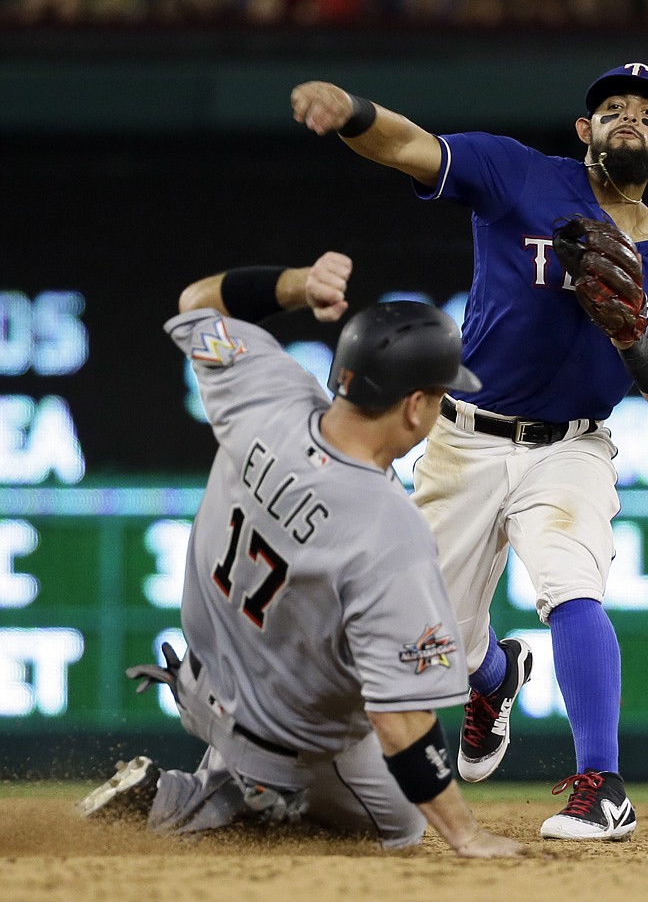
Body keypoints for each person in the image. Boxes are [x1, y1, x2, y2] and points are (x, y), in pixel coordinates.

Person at [290, 62, 648, 840]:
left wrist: (634, 340)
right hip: (466, 436)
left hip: (572, 447)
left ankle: (602, 786)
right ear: (585, 131)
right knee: (428, 639)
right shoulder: (521, 175)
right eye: (613, 108)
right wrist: (351, 110)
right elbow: (410, 147)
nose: (630, 120)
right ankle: (492, 674)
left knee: (571, 583)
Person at [77, 250, 527, 859]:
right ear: (416, 405)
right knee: (404, 825)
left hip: (195, 682)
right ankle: (194, 802)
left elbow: (196, 304)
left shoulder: (268, 392)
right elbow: (401, 719)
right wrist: (468, 835)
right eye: (441, 393)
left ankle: (218, 782)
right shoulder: (386, 527)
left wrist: (296, 286)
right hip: (280, 742)